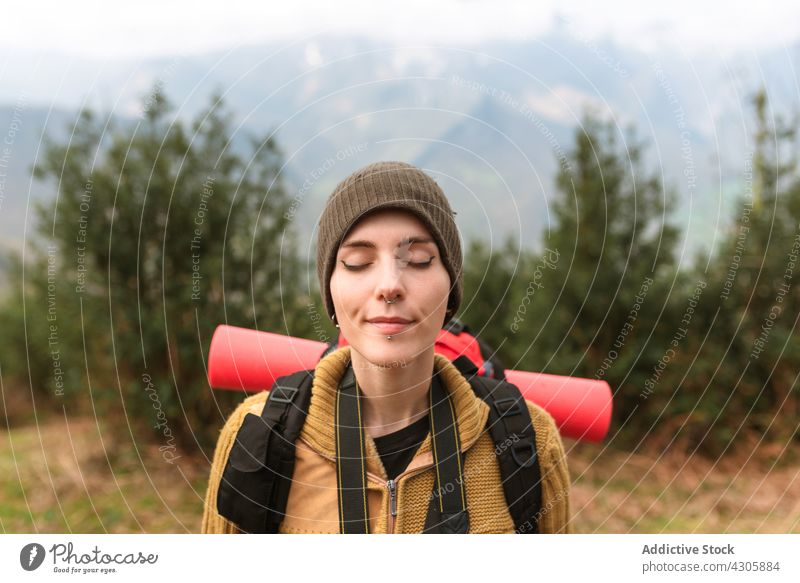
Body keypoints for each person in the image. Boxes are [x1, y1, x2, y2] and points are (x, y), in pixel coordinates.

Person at [202, 161, 571, 534]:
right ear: (330, 291)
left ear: (450, 291)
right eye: (358, 263)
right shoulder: (258, 435)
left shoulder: (529, 441)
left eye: (419, 260)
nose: (389, 285)